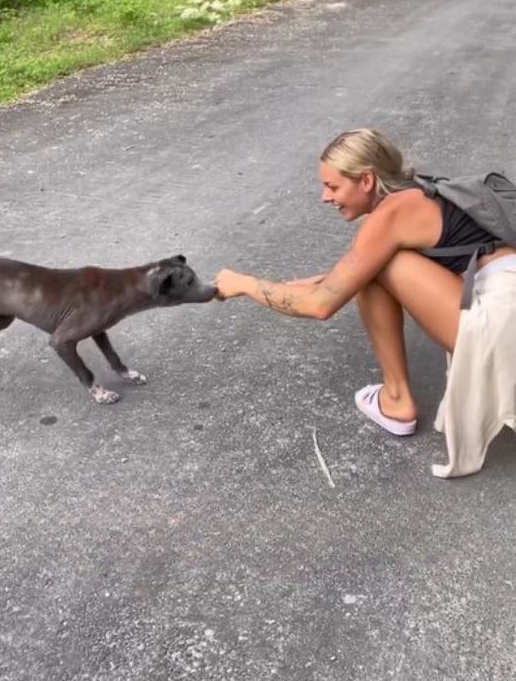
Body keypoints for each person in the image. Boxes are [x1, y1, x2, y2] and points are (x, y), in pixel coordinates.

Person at [215, 128, 516, 459]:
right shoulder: (417, 193)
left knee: (376, 272)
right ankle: (397, 398)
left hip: (503, 323)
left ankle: (397, 400)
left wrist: (242, 284)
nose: (325, 197)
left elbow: (320, 305)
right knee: (374, 269)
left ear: (367, 181)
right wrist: (326, 280)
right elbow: (361, 267)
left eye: (332, 186)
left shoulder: (392, 214)